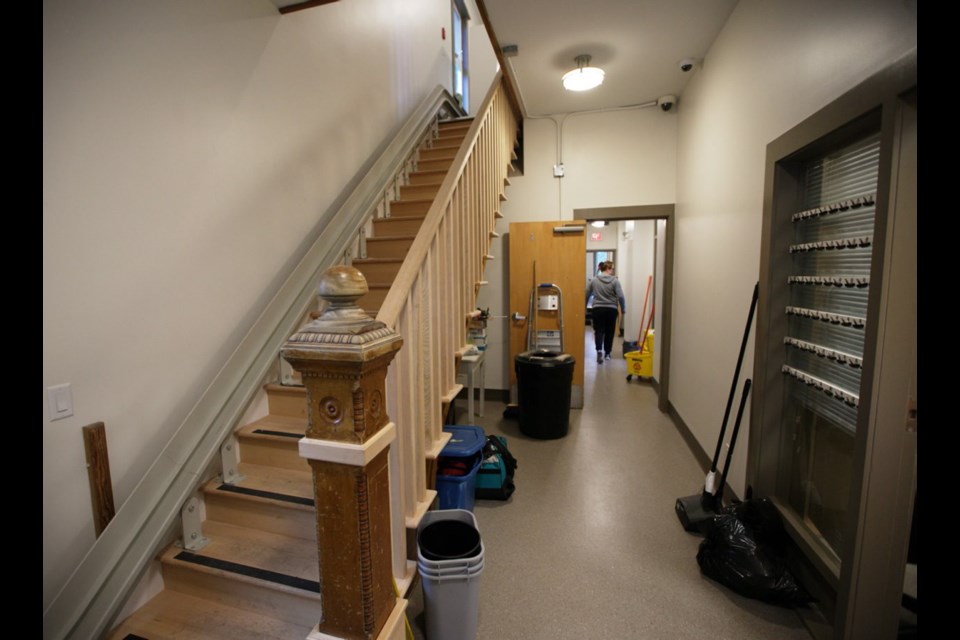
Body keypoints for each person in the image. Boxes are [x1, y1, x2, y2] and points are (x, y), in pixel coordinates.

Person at [586, 261, 626, 364]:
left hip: (598, 309)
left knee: (599, 331)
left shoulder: (594, 280)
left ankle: (599, 351)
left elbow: (587, 293)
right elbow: (621, 296)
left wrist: (584, 306)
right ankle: (607, 353)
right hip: (611, 309)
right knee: (610, 331)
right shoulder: (615, 281)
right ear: (607, 269)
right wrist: (623, 308)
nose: (612, 271)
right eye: (612, 269)